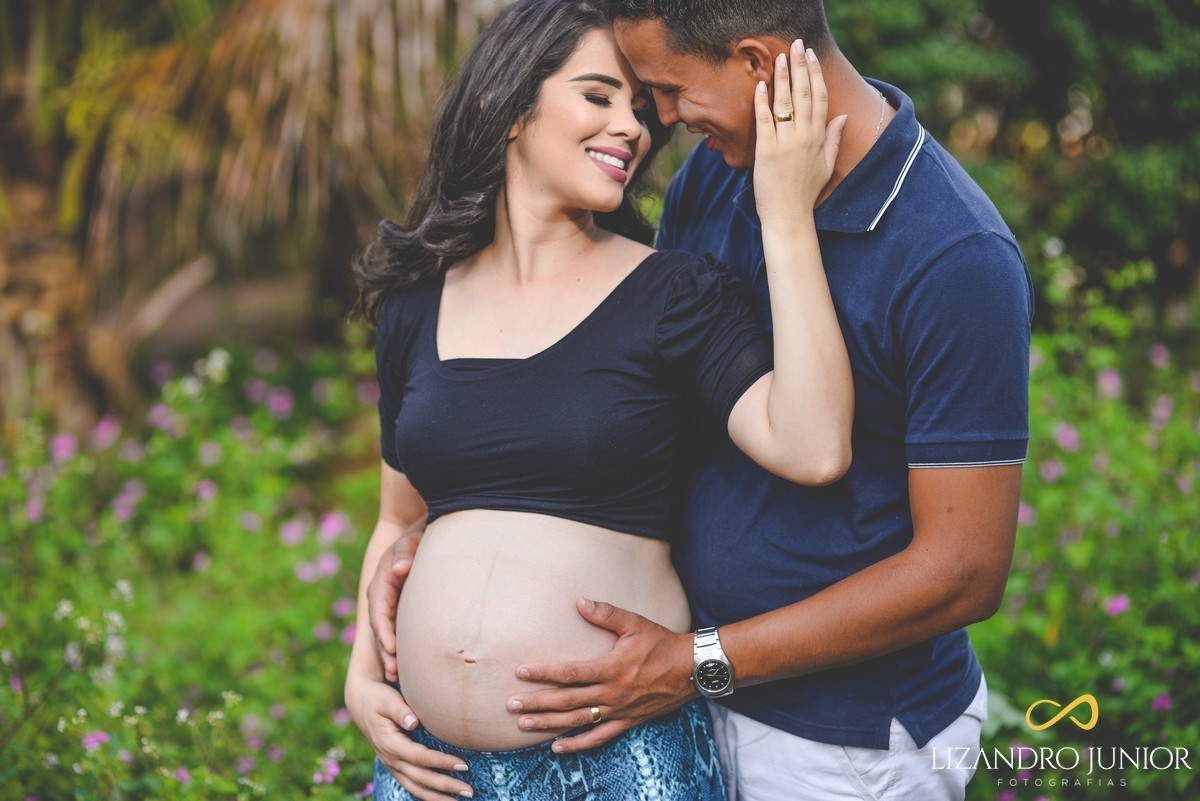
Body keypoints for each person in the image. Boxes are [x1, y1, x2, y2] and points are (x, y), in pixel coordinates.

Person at [363, 1, 1034, 800]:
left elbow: (962, 569)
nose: (660, 125)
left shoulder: (958, 254)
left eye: (663, 93)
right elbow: (625, 412)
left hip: (839, 736)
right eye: (622, 97)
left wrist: (695, 661)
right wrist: (454, 541)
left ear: (758, 63)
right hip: (668, 689)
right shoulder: (713, 181)